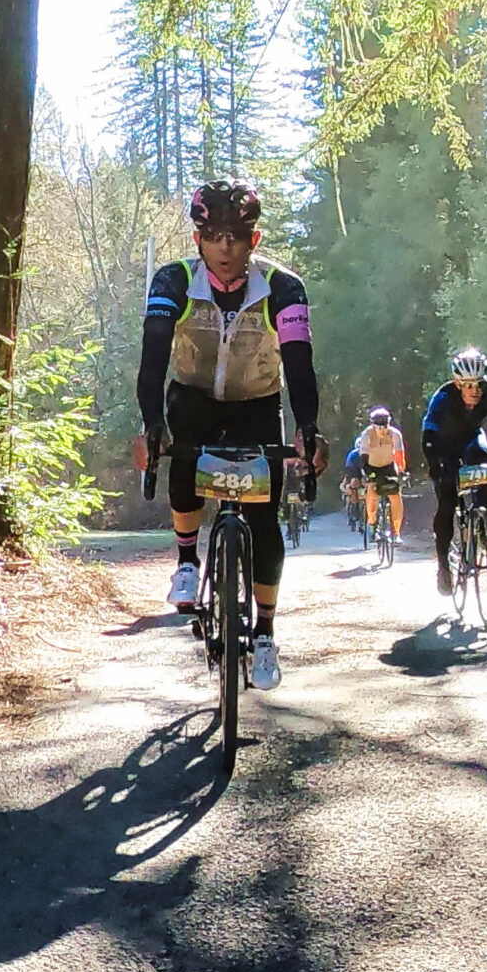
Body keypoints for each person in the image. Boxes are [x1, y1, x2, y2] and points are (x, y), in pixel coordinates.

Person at [133, 180, 322, 692]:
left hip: (258, 404)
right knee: (182, 450)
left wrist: (308, 428)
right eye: (213, 236)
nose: (225, 247)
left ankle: (264, 634)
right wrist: (151, 424)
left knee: (264, 520)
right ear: (198, 240)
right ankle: (187, 561)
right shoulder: (173, 280)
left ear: (254, 240)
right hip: (192, 397)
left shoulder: (284, 288)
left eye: (236, 237)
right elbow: (153, 357)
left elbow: (300, 366)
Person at [420, 349, 487, 595]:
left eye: (479, 384)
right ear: (457, 383)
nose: (475, 391)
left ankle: (482, 530)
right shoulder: (443, 396)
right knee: (447, 503)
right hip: (443, 445)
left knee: (484, 466)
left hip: (471, 441)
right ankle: (443, 565)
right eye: (468, 385)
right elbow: (428, 433)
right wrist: (434, 464)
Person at [352, 406, 408, 545]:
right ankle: (371, 523)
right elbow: (363, 457)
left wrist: (401, 472)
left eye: (385, 426)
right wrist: (367, 473)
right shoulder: (367, 434)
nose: (382, 430)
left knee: (396, 496)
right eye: (379, 427)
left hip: (389, 466)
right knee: (372, 491)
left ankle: (396, 533)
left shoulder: (395, 434)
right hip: (371, 466)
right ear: (372, 425)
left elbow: (400, 455)